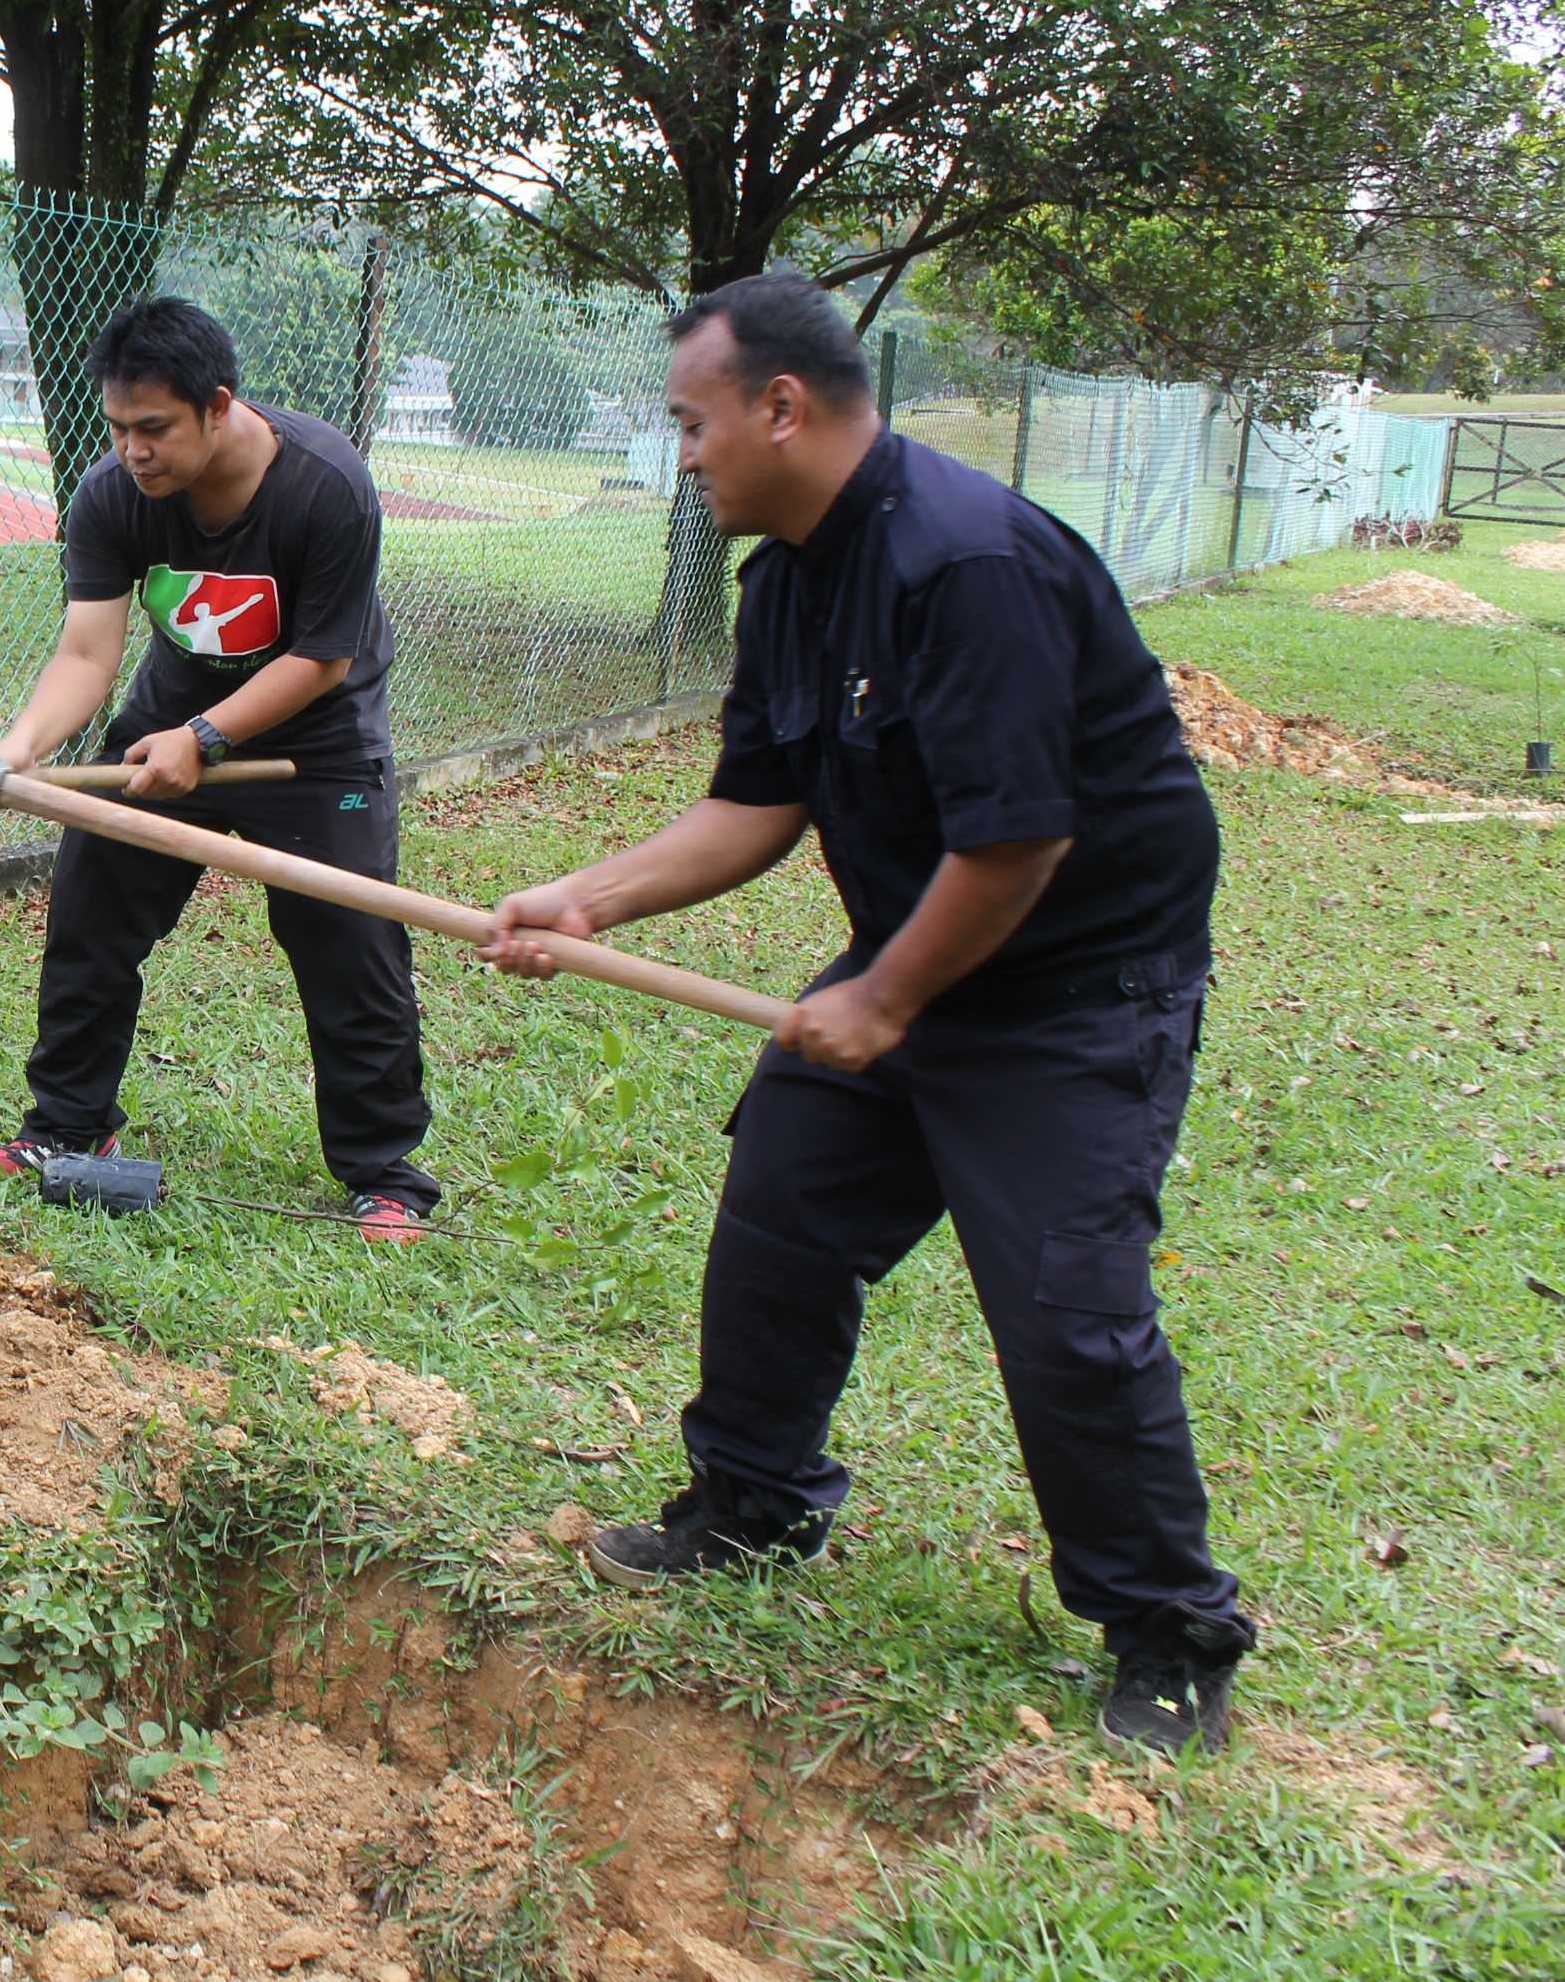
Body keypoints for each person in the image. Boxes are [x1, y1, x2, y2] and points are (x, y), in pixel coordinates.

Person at [476, 273, 1256, 1755]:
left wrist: (886, 999)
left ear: (781, 406)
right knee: (784, 1209)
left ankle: (1171, 1631)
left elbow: (1018, 844)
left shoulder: (967, 564)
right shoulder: (788, 580)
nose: (682, 457)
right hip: (916, 953)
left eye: (693, 424)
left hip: (1075, 993)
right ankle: (753, 1504)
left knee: (1070, 1314)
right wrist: (587, 899)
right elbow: (755, 805)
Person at [0, 296, 442, 1238]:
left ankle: (386, 1172)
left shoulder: (326, 486)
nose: (132, 451)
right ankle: (68, 1124)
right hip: (170, 721)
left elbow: (324, 659)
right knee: (92, 906)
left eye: (154, 428)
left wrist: (209, 738)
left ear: (219, 405)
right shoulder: (112, 495)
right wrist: (17, 749)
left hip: (318, 740)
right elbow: (86, 652)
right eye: (118, 428)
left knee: (349, 938)